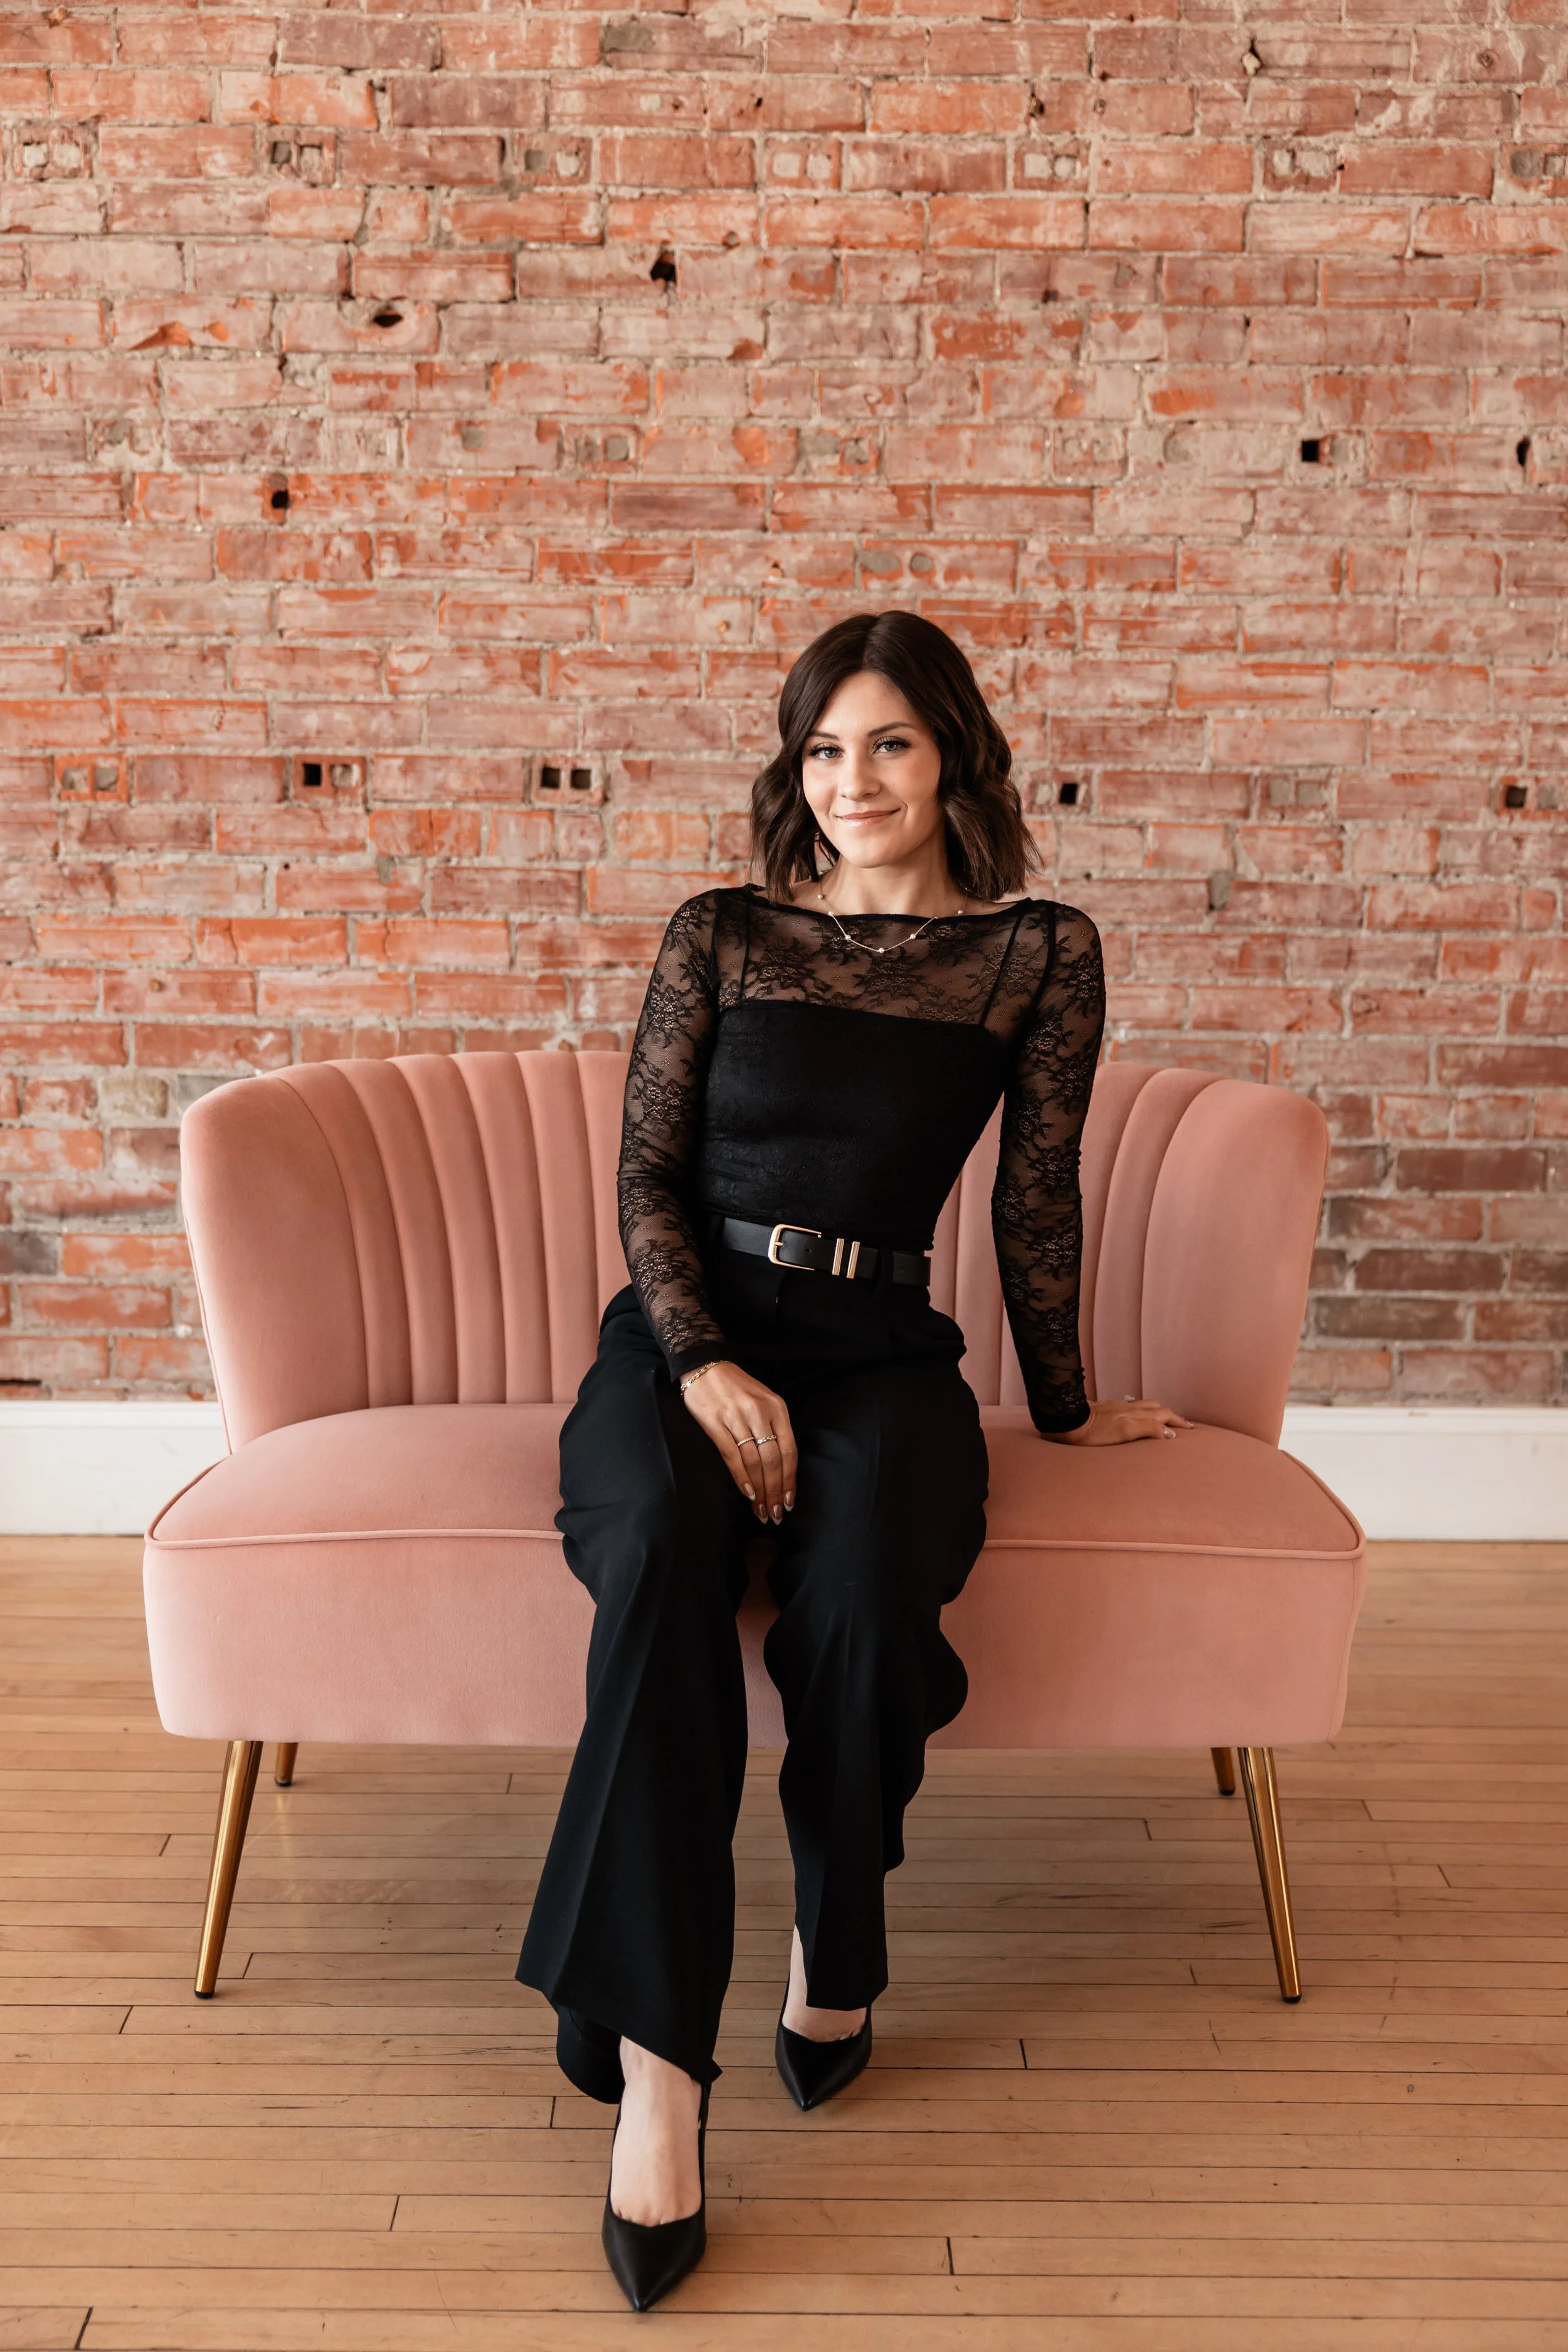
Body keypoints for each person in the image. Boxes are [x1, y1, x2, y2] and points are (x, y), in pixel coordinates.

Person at [516, 609, 1190, 2310]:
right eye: (822, 746)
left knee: (870, 1584)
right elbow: (646, 1181)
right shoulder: (721, 932)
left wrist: (1064, 1400)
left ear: (951, 751)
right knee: (665, 1561)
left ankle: (837, 1920)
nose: (851, 777)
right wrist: (700, 1359)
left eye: (885, 741)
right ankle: (662, 2082)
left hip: (883, 1350)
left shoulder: (1035, 954)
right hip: (686, 1338)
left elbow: (1037, 1193)